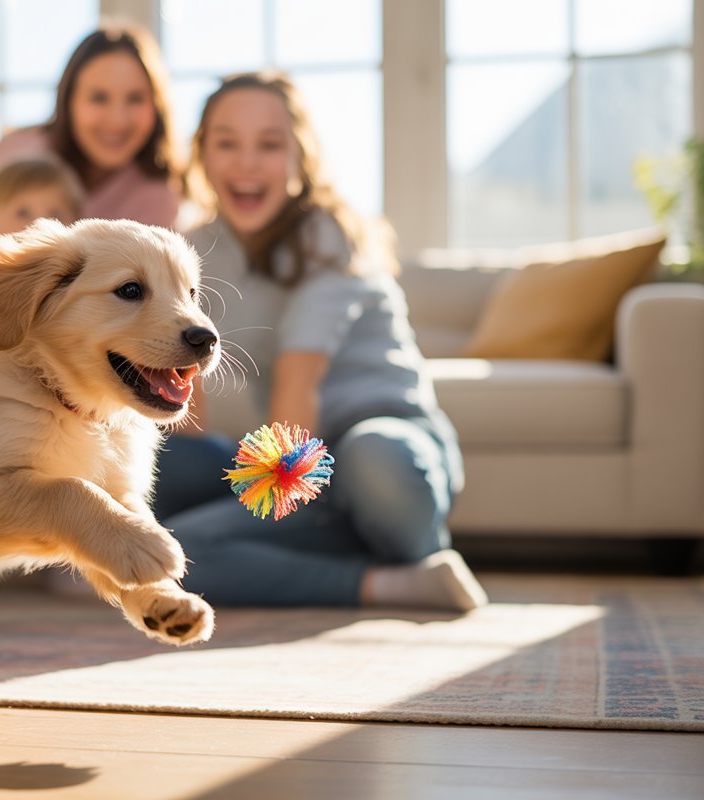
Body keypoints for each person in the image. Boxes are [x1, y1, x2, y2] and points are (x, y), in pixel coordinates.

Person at [163, 71, 488, 612]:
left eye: (269, 144)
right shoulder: (195, 248)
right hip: (298, 474)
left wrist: (258, 512)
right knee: (169, 492)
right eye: (226, 143)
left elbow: (299, 382)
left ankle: (387, 551)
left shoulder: (329, 236)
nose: (246, 162)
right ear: (201, 154)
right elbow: (186, 387)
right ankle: (391, 582)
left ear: (300, 155)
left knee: (374, 457)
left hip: (370, 452)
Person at [0, 21, 183, 351]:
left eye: (135, 99)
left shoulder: (157, 193)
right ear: (69, 101)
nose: (117, 118)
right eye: (98, 98)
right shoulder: (18, 155)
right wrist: (0, 311)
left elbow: (147, 300)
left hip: (72, 340)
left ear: (156, 103)